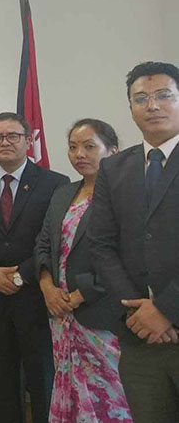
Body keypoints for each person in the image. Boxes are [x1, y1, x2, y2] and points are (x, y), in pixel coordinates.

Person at [89, 61, 179, 422]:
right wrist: (139, 313)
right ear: (130, 108)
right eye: (140, 98)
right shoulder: (113, 168)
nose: (152, 105)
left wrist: (166, 309)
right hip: (138, 334)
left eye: (163, 95)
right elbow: (101, 244)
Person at [0, 112, 69, 423]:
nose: (5, 142)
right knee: (0, 381)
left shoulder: (55, 183)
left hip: (35, 297)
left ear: (28, 141)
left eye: (13, 136)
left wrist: (19, 275)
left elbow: (52, 240)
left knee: (42, 379)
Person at [33, 118, 132, 422]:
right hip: (61, 315)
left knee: (109, 398)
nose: (80, 154)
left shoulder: (125, 196)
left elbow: (125, 257)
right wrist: (47, 288)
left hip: (100, 312)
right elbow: (44, 243)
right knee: (70, 392)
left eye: (89, 146)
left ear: (112, 151)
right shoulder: (63, 193)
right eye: (73, 147)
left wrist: (78, 296)